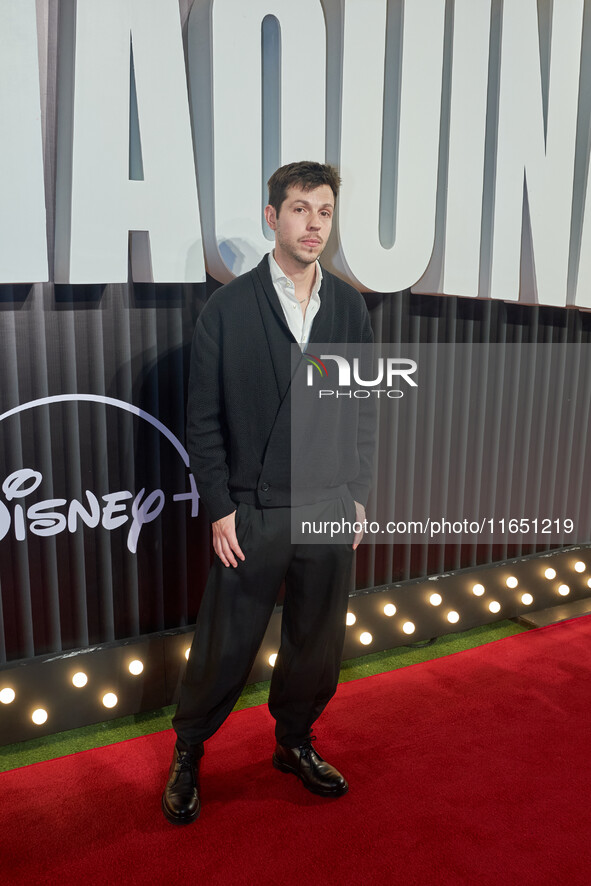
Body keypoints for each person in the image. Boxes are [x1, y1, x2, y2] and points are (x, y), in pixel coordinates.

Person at [162, 161, 374, 825]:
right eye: (299, 210)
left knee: (316, 644)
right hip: (252, 511)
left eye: (324, 213)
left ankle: (294, 743)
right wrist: (220, 506)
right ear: (271, 218)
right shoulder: (226, 308)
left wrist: (359, 493)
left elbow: (362, 407)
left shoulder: (347, 304)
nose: (313, 225)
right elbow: (202, 420)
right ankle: (189, 750)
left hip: (329, 505)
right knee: (225, 644)